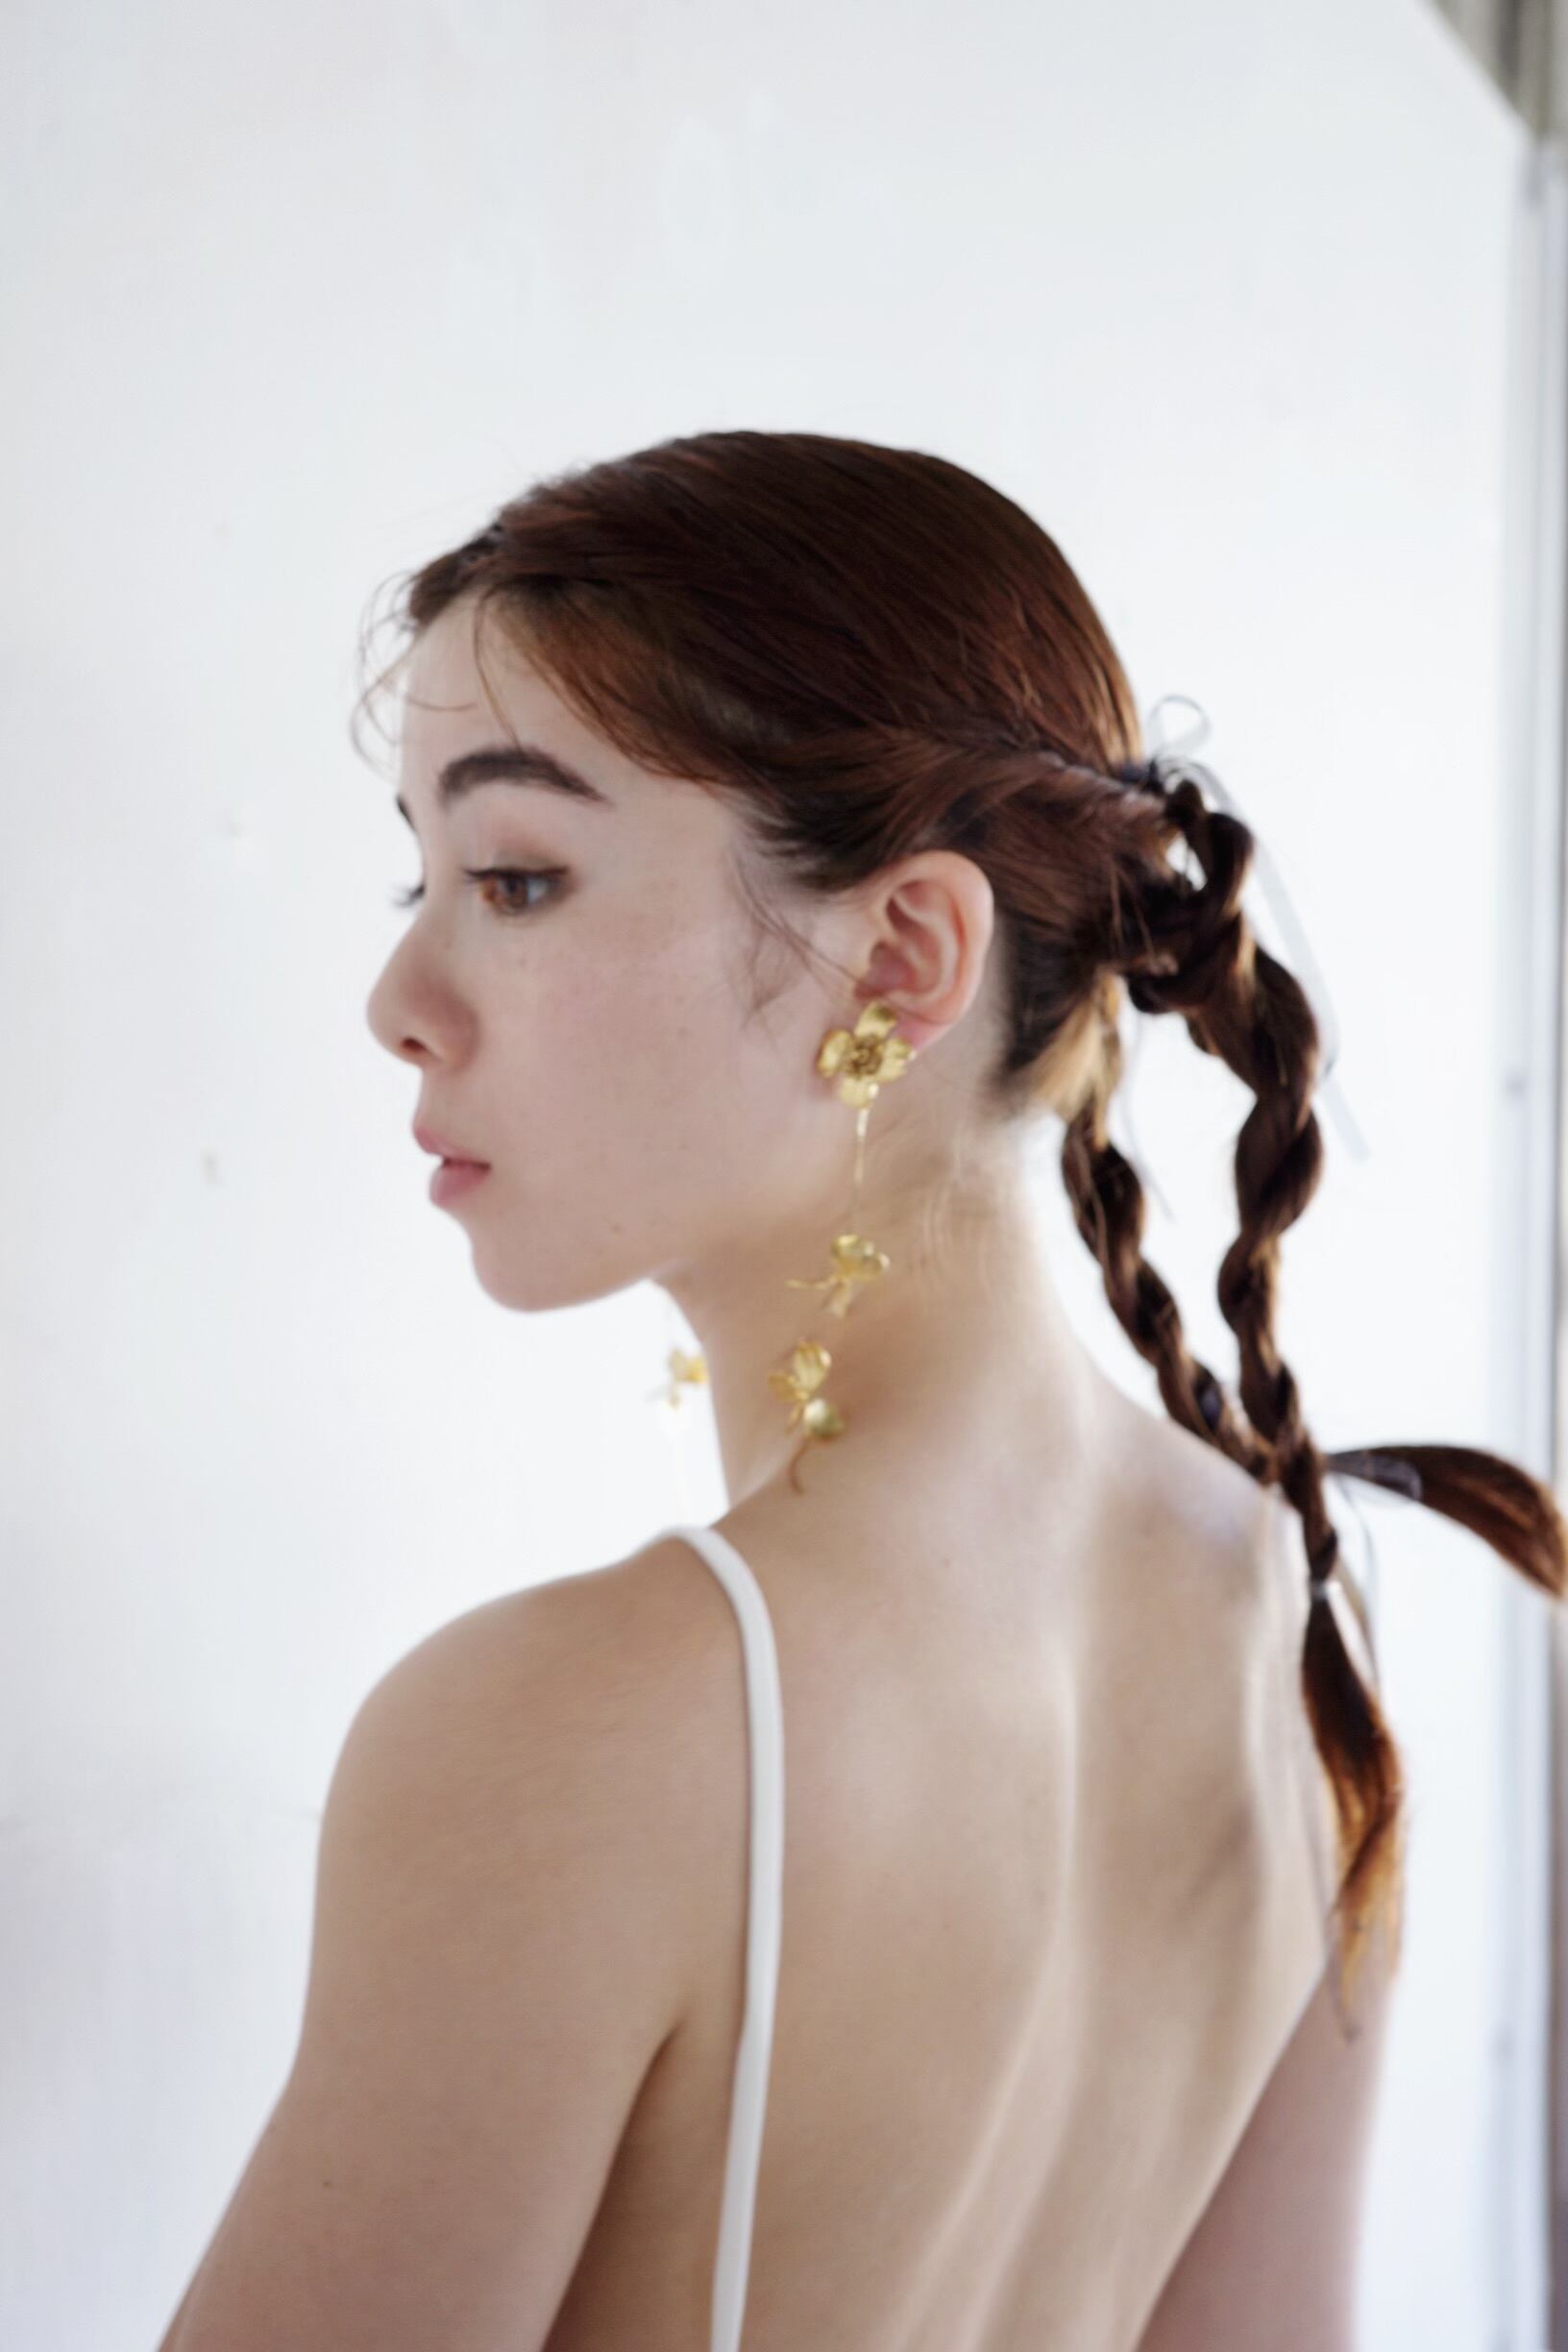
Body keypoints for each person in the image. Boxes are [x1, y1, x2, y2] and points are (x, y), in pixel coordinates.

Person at [157, 432, 1567, 2351]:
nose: (400, 997)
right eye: (425, 876)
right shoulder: (1289, 1620)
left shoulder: (561, 1740)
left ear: (902, 958)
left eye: (518, 877)